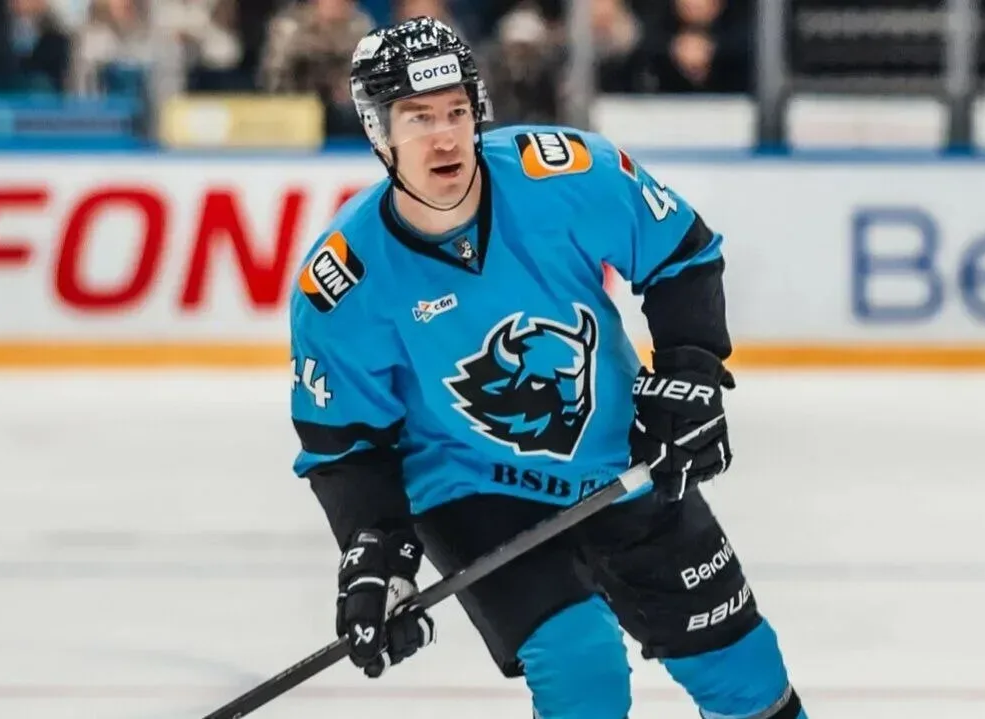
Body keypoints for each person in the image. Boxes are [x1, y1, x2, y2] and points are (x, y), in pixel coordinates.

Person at [287, 16, 807, 719]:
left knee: (748, 680)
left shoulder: (563, 174)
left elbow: (682, 255)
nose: (445, 137)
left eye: (456, 111)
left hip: (622, 461)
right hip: (474, 491)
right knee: (581, 669)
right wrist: (376, 551)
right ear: (379, 132)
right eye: (418, 118)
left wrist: (690, 372)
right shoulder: (344, 281)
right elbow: (345, 444)